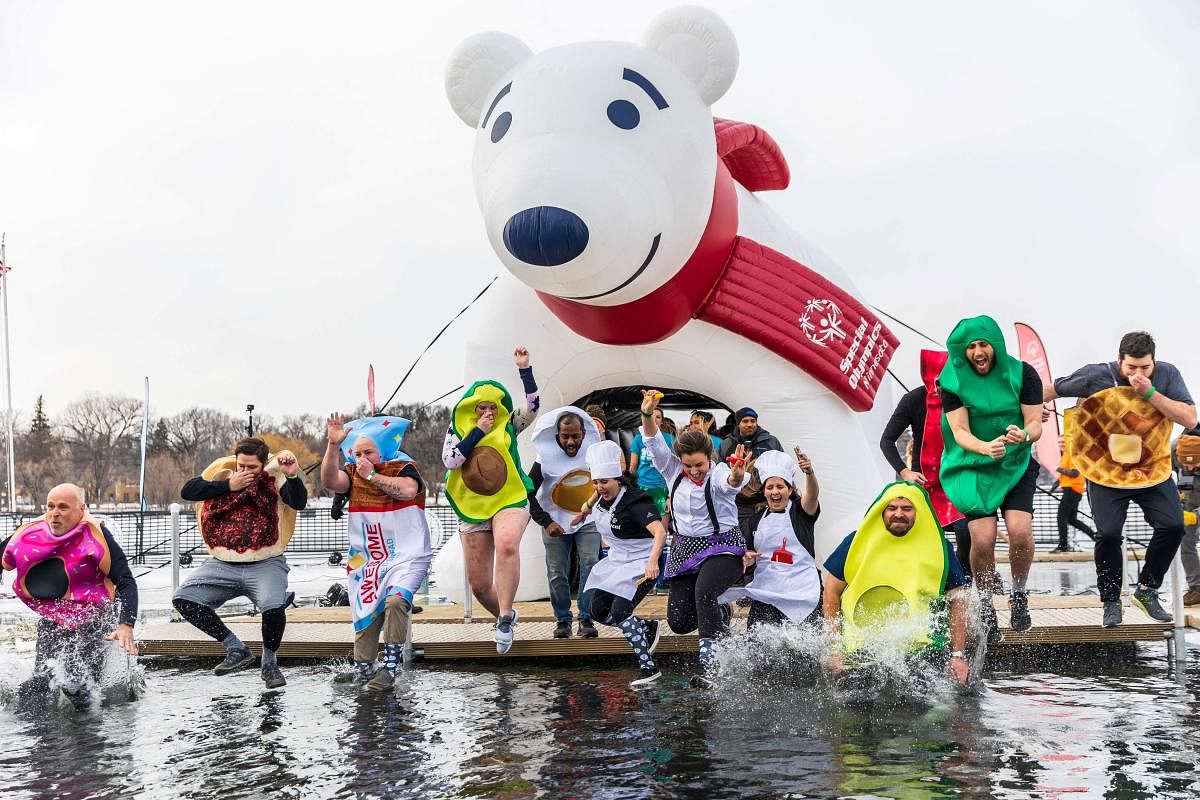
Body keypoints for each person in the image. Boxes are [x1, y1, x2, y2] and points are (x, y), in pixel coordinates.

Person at [1046, 331, 1197, 625]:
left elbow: (1190, 418)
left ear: (1154, 361)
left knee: (1173, 525)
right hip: (1106, 472)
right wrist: (1032, 409)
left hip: (1151, 468)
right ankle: (1111, 600)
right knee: (1109, 534)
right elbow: (1049, 390)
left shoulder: (1167, 375)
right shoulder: (1095, 376)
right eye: (1131, 368)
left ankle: (1147, 589)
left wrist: (1150, 392)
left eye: (1145, 367)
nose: (1138, 374)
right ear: (1119, 361)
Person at [938, 316, 1042, 643]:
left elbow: (1035, 423)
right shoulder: (951, 381)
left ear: (994, 346)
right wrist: (985, 447)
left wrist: (1022, 435)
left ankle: (1019, 594)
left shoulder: (1024, 373)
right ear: (962, 352)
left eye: (983, 344)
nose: (978, 351)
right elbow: (958, 432)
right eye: (971, 346)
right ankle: (985, 603)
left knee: (1020, 533)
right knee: (982, 540)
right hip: (973, 464)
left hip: (1015, 461)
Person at [640, 389, 753, 688]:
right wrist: (646, 413)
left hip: (723, 549)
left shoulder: (717, 474)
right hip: (685, 551)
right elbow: (652, 441)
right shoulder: (672, 470)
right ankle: (721, 613)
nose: (693, 471)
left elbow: (731, 485)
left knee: (704, 592)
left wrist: (738, 475)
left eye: (699, 465)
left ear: (709, 459)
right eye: (688, 465)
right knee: (678, 622)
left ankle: (709, 666)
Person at [173, 438, 306, 689]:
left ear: (264, 463)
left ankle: (270, 663)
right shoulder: (224, 473)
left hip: (266, 562)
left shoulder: (276, 477)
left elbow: (298, 501)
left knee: (273, 607)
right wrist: (227, 485)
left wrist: (292, 476)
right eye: (241, 465)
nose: (246, 471)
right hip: (222, 564)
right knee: (184, 598)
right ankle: (235, 648)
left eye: (252, 467)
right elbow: (188, 490)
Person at [1, 484, 139, 712]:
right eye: (51, 506)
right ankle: (38, 738)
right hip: (54, 618)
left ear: (81, 509)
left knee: (78, 684)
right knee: (41, 683)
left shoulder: (98, 535)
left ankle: (89, 737)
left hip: (95, 620)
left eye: (63, 507)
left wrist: (126, 624)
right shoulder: (30, 534)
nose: (55, 513)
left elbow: (126, 582)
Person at [321, 413, 432, 691]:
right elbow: (330, 482)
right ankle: (362, 670)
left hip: (407, 555)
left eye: (368, 451)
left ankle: (391, 667)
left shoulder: (403, 466)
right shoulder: (353, 474)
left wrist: (371, 474)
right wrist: (333, 446)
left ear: (382, 450)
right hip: (368, 557)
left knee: (395, 603)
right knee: (365, 611)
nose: (362, 457)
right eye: (357, 453)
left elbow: (407, 492)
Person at [822, 482, 970, 687]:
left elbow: (958, 599)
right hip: (860, 647)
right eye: (892, 508)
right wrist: (834, 650)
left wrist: (958, 655)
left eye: (907, 508)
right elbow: (831, 592)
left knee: (928, 713)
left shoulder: (939, 547)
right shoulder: (857, 541)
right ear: (881, 511)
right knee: (853, 708)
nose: (898, 514)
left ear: (918, 512)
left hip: (922, 649)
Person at [443, 346, 539, 654]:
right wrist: (476, 432)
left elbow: (533, 407)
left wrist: (525, 370)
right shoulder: (457, 428)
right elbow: (450, 461)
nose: (488, 413)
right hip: (472, 505)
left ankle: (503, 622)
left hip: (509, 496)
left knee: (508, 544)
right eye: (482, 407)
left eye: (493, 407)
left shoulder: (509, 423)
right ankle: (506, 615)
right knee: (479, 584)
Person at [578, 440, 668, 686]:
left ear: (618, 479)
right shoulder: (600, 496)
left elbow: (660, 533)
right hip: (618, 559)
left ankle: (648, 668)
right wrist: (584, 510)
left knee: (620, 611)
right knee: (597, 611)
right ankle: (646, 627)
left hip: (643, 560)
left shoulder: (636, 502)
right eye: (596, 482)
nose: (600, 487)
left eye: (604, 482)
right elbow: (595, 497)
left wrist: (652, 563)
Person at [879, 349, 971, 578]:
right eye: (939, 381)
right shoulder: (914, 399)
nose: (943, 388)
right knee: (926, 534)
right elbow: (886, 440)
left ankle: (963, 581)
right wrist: (904, 472)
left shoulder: (965, 398)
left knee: (965, 531)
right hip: (925, 481)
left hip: (958, 478)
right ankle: (927, 579)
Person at [718, 449, 822, 627]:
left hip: (802, 591)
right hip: (767, 592)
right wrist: (747, 558)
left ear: (789, 490)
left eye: (780, 487)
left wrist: (809, 473)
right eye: (770, 487)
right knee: (758, 648)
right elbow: (748, 554)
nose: (775, 491)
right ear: (764, 492)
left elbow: (812, 496)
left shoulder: (801, 512)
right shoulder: (754, 522)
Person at [527, 407, 603, 639]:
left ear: (583, 433)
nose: (570, 441)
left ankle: (586, 617)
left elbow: (608, 485)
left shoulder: (594, 454)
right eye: (565, 436)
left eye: (575, 436)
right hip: (554, 522)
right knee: (556, 572)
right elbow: (527, 492)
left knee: (590, 562)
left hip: (587, 518)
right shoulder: (544, 458)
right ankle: (562, 619)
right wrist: (546, 521)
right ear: (556, 435)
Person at [717, 407, 785, 526]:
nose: (749, 424)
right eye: (745, 421)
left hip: (765, 501)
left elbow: (784, 468)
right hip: (737, 503)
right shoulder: (726, 444)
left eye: (753, 421)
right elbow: (718, 471)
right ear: (738, 424)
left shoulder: (771, 442)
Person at [629, 406, 675, 517]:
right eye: (651, 416)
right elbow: (632, 467)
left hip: (663, 489)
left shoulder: (668, 438)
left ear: (662, 422)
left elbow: (675, 467)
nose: (654, 419)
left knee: (662, 531)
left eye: (658, 417)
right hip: (643, 488)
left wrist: (670, 494)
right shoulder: (639, 439)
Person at [1053, 434, 1094, 552]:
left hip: (1073, 490)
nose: (1061, 444)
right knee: (1071, 519)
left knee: (1061, 518)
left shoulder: (1072, 455)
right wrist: (1055, 485)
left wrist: (1059, 469)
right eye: (1059, 442)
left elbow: (1075, 474)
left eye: (1063, 442)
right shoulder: (1065, 455)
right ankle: (1096, 537)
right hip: (1070, 490)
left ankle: (1063, 546)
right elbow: (1065, 474)